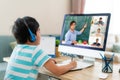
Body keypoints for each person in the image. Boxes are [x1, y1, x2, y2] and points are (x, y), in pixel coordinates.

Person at [4, 16, 77, 80]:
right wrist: (71, 65)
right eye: (38, 30)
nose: (40, 33)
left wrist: (46, 60)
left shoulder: (17, 48)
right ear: (32, 36)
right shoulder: (35, 51)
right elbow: (57, 71)